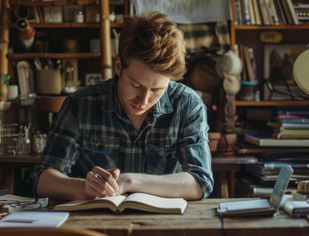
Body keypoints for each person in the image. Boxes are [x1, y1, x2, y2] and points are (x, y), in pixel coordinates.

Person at [32, 12, 213, 201]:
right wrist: (83, 188)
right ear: (118, 66)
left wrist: (130, 181)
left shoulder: (188, 105)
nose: (143, 100)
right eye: (136, 85)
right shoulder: (80, 105)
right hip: (94, 224)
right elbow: (42, 179)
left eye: (157, 90)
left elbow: (201, 182)